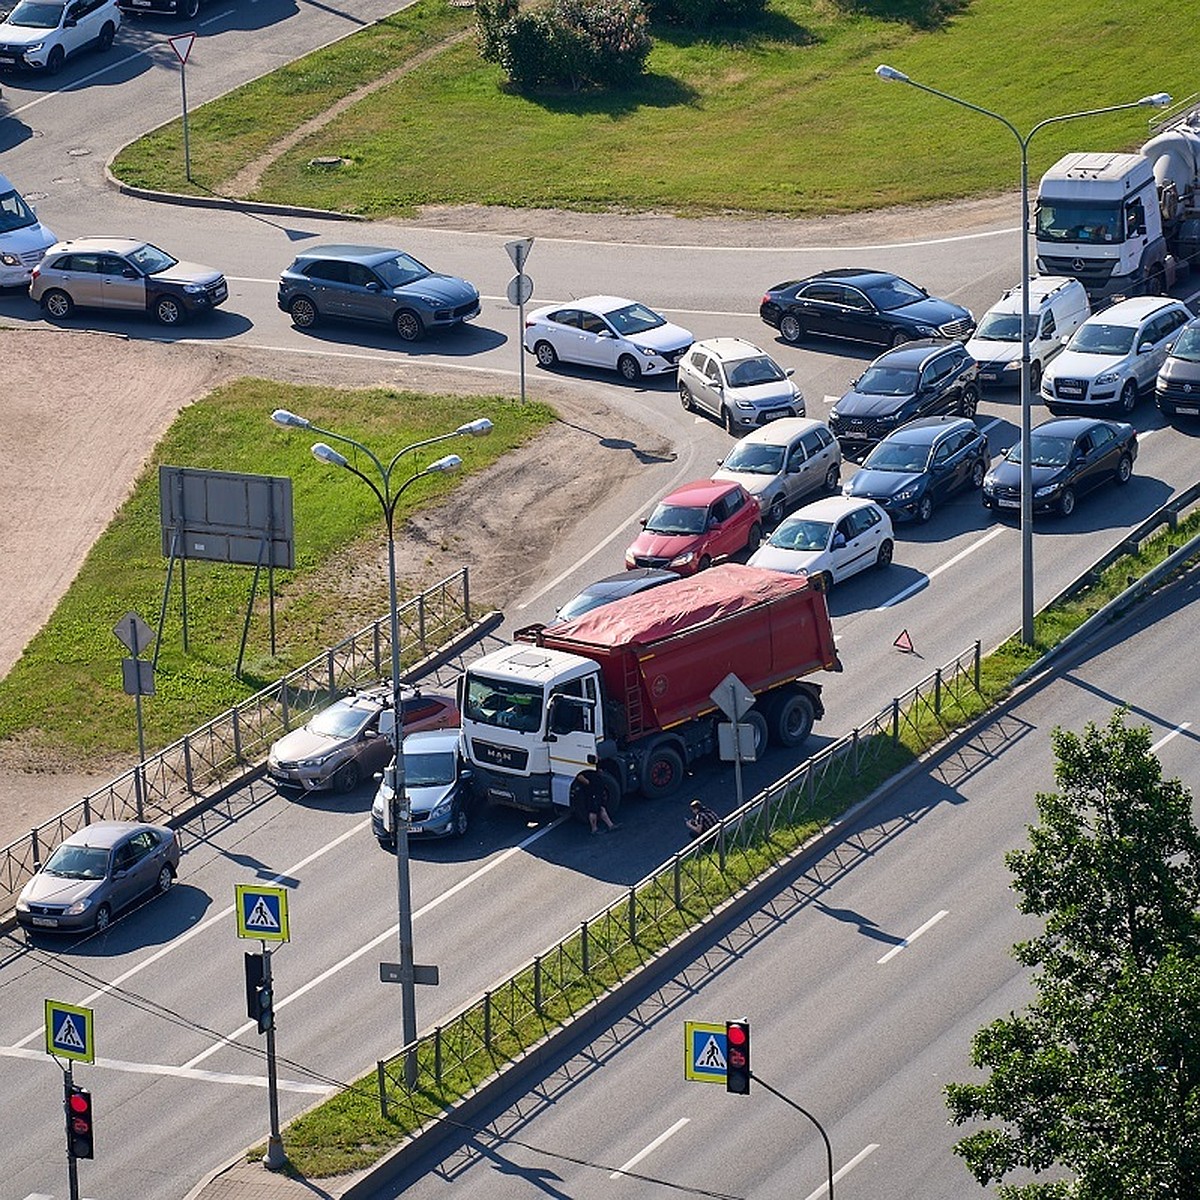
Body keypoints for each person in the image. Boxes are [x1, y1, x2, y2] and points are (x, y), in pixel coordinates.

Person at [577, 769, 618, 834]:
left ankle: (610, 825)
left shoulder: (592, 766)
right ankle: (594, 829)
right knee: (593, 810)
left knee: (601, 807)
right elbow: (579, 776)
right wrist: (589, 783)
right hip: (592, 791)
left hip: (597, 790)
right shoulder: (583, 768)